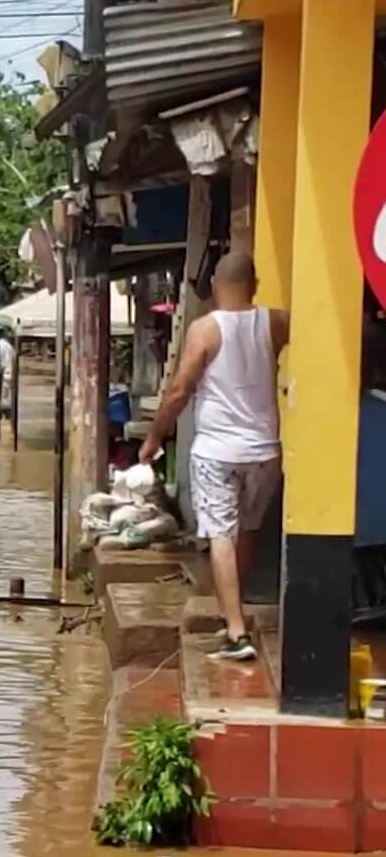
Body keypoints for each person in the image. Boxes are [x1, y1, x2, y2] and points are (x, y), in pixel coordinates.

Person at [140, 252, 287, 662]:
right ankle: (232, 619)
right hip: (264, 451)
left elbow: (179, 390)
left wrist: (155, 437)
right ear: (255, 285)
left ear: (216, 289)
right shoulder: (276, 322)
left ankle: (236, 631)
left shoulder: (205, 330)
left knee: (221, 535)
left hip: (217, 452)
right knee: (249, 531)